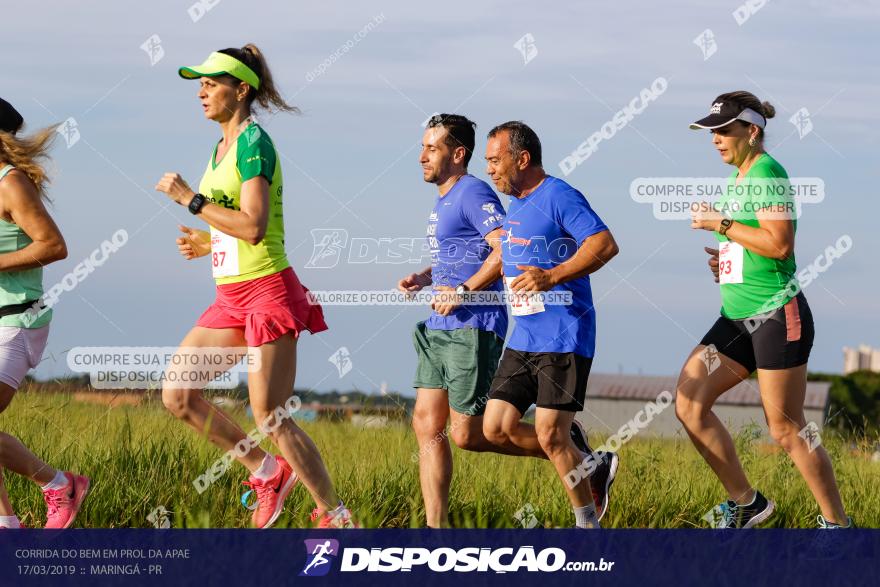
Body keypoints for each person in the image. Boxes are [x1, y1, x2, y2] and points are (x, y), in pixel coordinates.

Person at [156, 45, 355, 529]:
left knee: (269, 412)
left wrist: (191, 200)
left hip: (267, 291)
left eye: (212, 82)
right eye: (198, 83)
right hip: (230, 297)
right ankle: (266, 473)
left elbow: (255, 226)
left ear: (241, 89)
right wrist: (209, 243)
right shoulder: (221, 147)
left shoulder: (252, 143)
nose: (202, 90)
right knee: (178, 394)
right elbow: (234, 223)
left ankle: (337, 517)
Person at [679, 91, 851, 529]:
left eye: (723, 131)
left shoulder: (768, 173)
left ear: (751, 131)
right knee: (689, 402)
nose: (715, 139)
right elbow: (754, 243)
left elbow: (780, 245)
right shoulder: (739, 177)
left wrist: (719, 223)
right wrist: (725, 262)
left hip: (777, 317)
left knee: (786, 431)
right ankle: (748, 503)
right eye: (711, 132)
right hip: (737, 318)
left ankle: (837, 527)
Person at [480, 121, 619, 528]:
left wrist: (552, 276)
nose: (488, 169)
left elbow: (604, 244)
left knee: (551, 435)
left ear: (522, 158)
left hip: (563, 335)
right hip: (523, 336)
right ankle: (590, 464)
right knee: (495, 428)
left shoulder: (559, 195)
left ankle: (586, 526)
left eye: (494, 160)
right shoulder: (516, 205)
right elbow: (507, 261)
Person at [0, 97, 89, 529]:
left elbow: (53, 246)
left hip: (16, 321)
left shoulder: (11, 183)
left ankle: (59, 486)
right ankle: (9, 527)